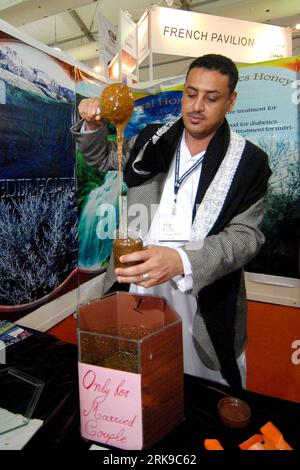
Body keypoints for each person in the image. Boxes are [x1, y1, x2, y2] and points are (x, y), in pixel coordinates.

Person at [71, 54, 271, 389]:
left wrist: (180, 260)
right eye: (190, 94)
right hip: (139, 287)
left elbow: (246, 237)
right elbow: (105, 158)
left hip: (203, 299)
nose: (196, 106)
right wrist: (93, 124)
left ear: (231, 101)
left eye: (211, 98)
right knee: (144, 382)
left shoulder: (249, 162)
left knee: (204, 394)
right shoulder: (154, 139)